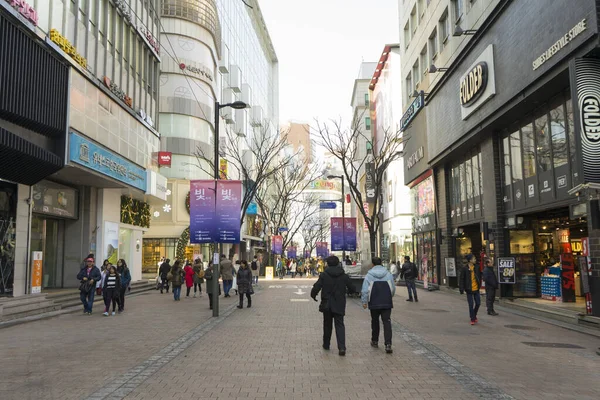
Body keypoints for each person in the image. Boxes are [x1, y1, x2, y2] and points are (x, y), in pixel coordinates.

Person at [310, 255, 356, 356]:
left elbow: (316, 287)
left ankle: (326, 344)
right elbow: (352, 288)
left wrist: (313, 295)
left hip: (327, 304)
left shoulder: (324, 275)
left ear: (328, 264)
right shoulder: (343, 275)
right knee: (339, 325)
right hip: (339, 303)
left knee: (327, 325)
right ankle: (342, 347)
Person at [361, 257, 395, 354]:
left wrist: (364, 302)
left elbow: (365, 290)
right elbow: (392, 288)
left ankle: (375, 341)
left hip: (374, 301)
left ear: (373, 264)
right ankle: (388, 344)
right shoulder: (388, 274)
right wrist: (389, 296)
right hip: (386, 302)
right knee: (387, 322)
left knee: (375, 322)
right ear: (381, 263)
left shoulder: (369, 275)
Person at [459, 254, 482, 325]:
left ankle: (474, 315)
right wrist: (461, 289)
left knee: (478, 303)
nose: (475, 260)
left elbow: (479, 276)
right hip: (469, 289)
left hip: (476, 289)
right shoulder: (465, 268)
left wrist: (479, 285)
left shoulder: (477, 267)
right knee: (471, 304)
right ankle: (472, 319)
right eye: (474, 258)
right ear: (470, 260)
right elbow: (461, 279)